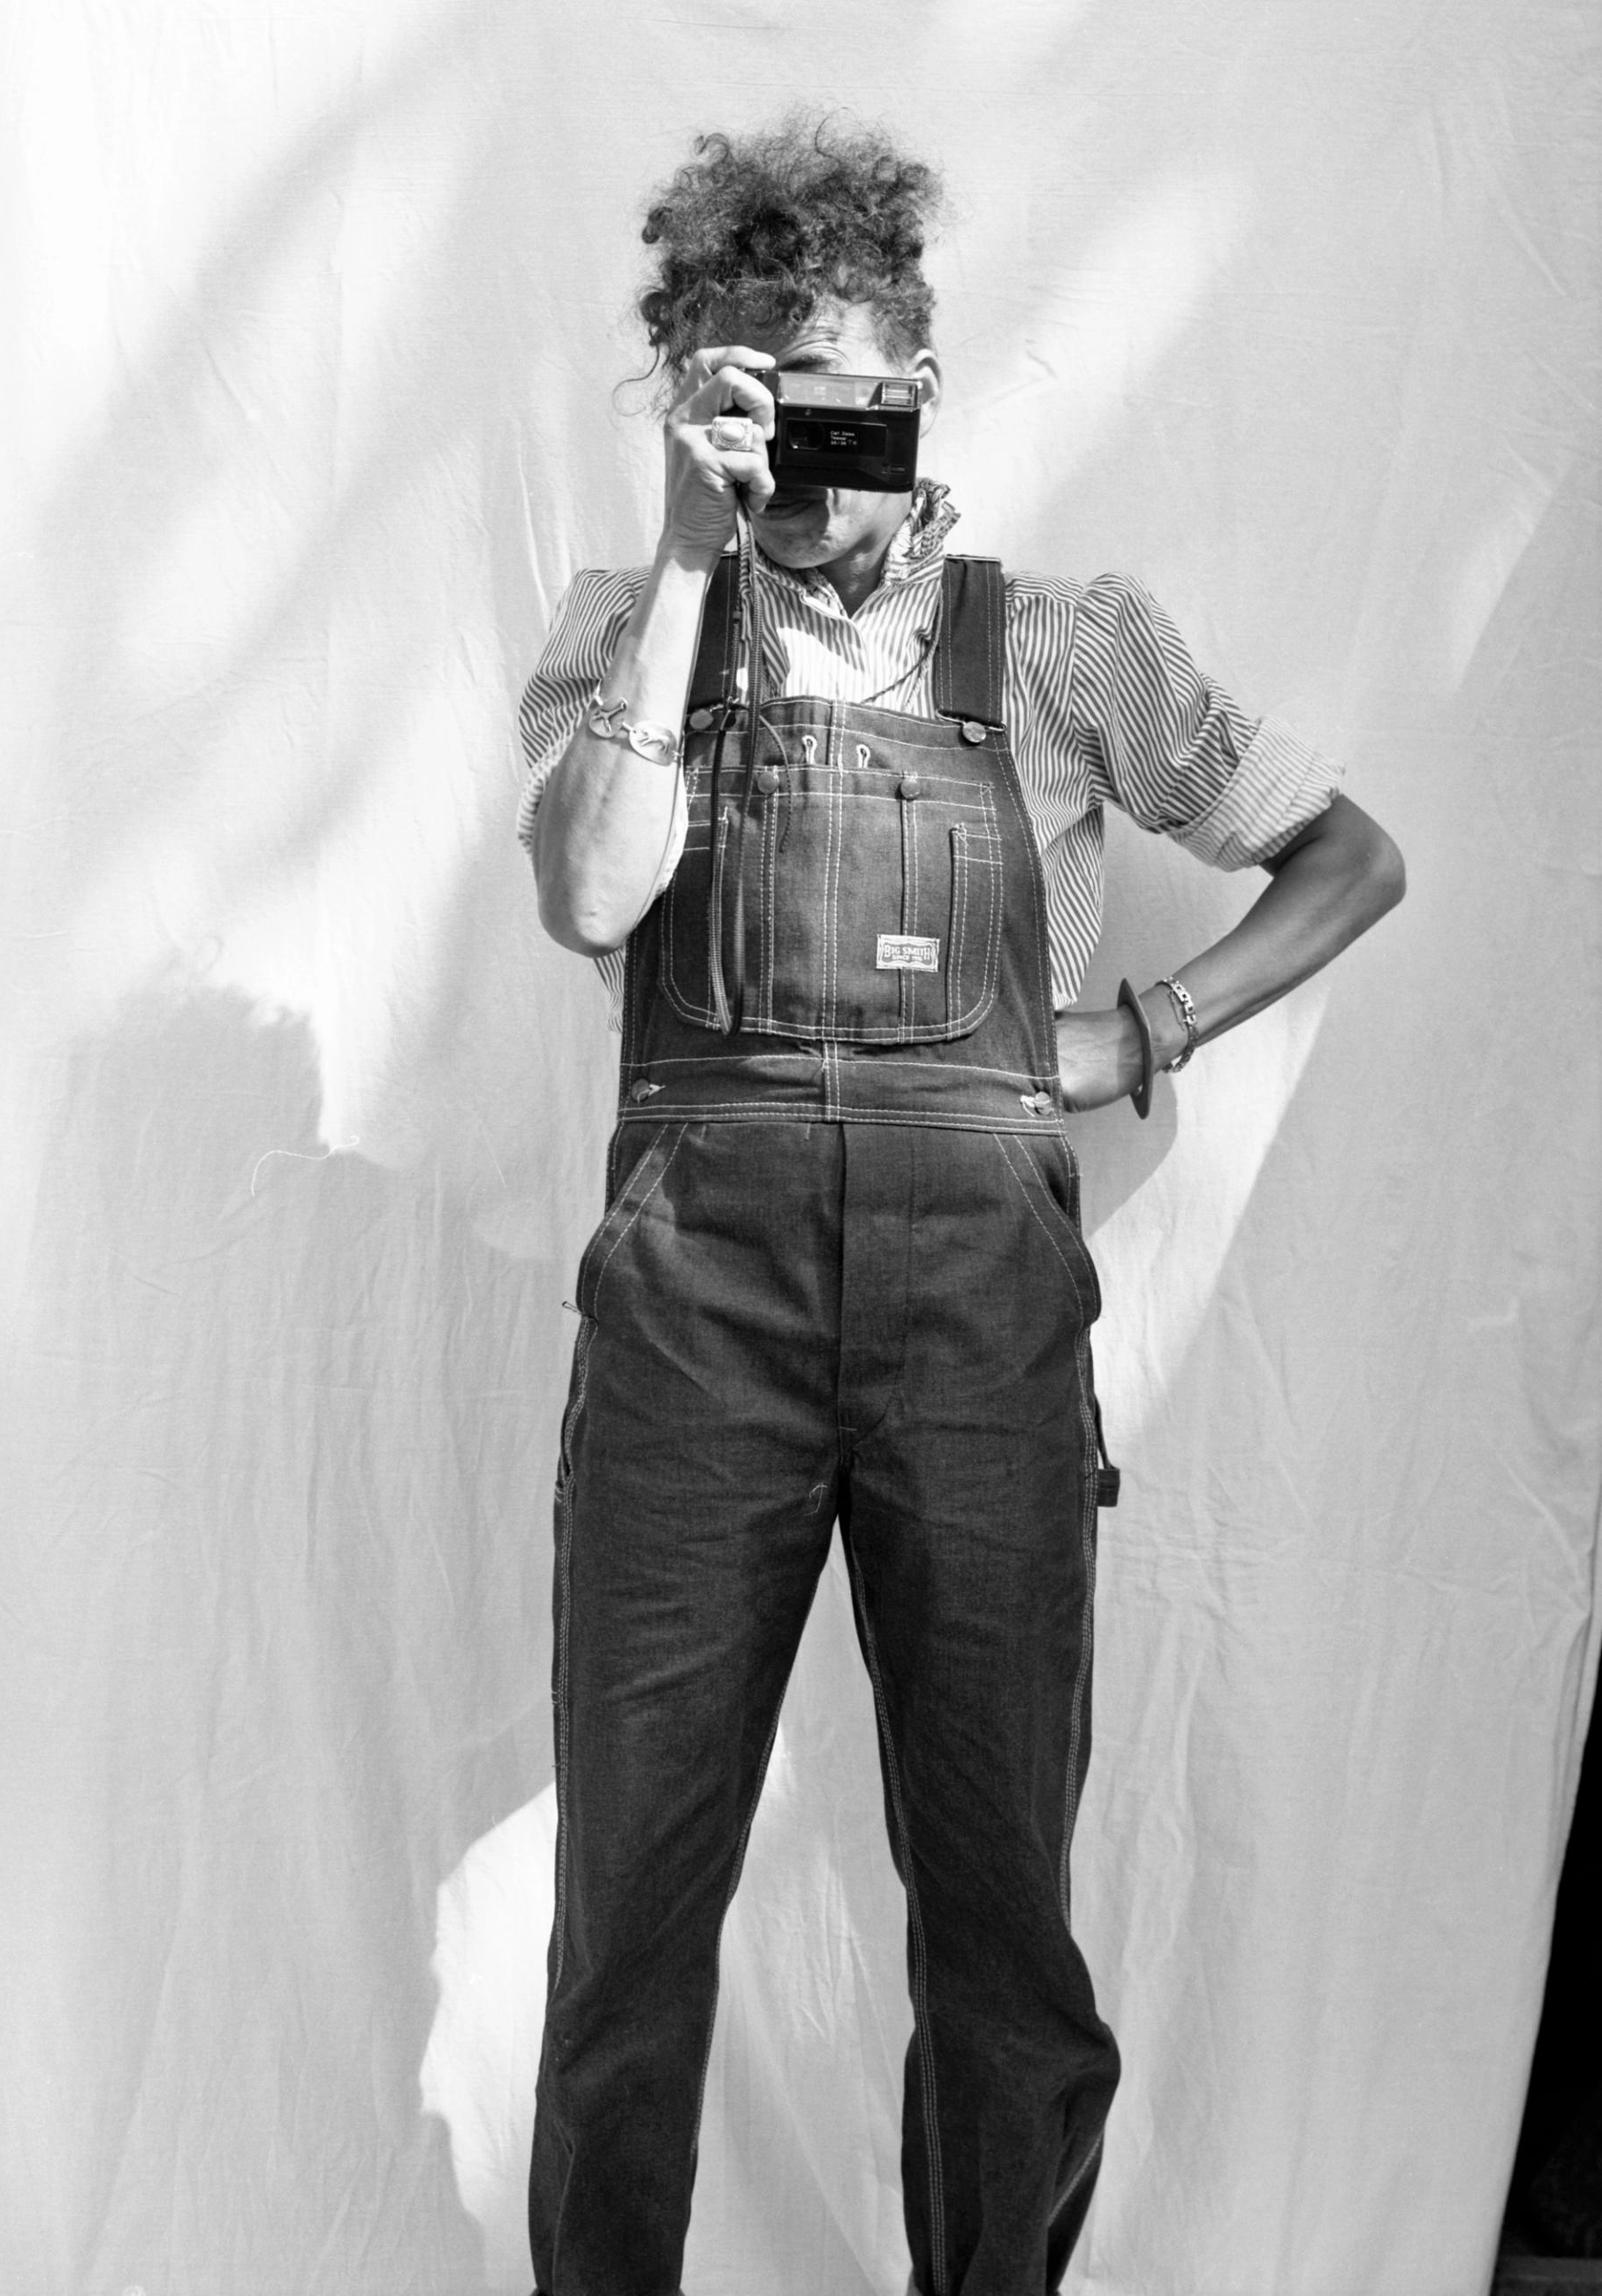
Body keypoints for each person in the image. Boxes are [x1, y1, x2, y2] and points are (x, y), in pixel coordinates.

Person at [517, 117, 1405, 2296]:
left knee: (1003, 1931)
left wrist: (1146, 1027)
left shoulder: (1069, 647)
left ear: (914, 388)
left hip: (981, 1336)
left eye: (836, 395)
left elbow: (1350, 854)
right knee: (628, 1930)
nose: (801, 446)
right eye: (750, 394)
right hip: (693, 1332)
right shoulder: (633, 634)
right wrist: (684, 559)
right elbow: (592, 898)